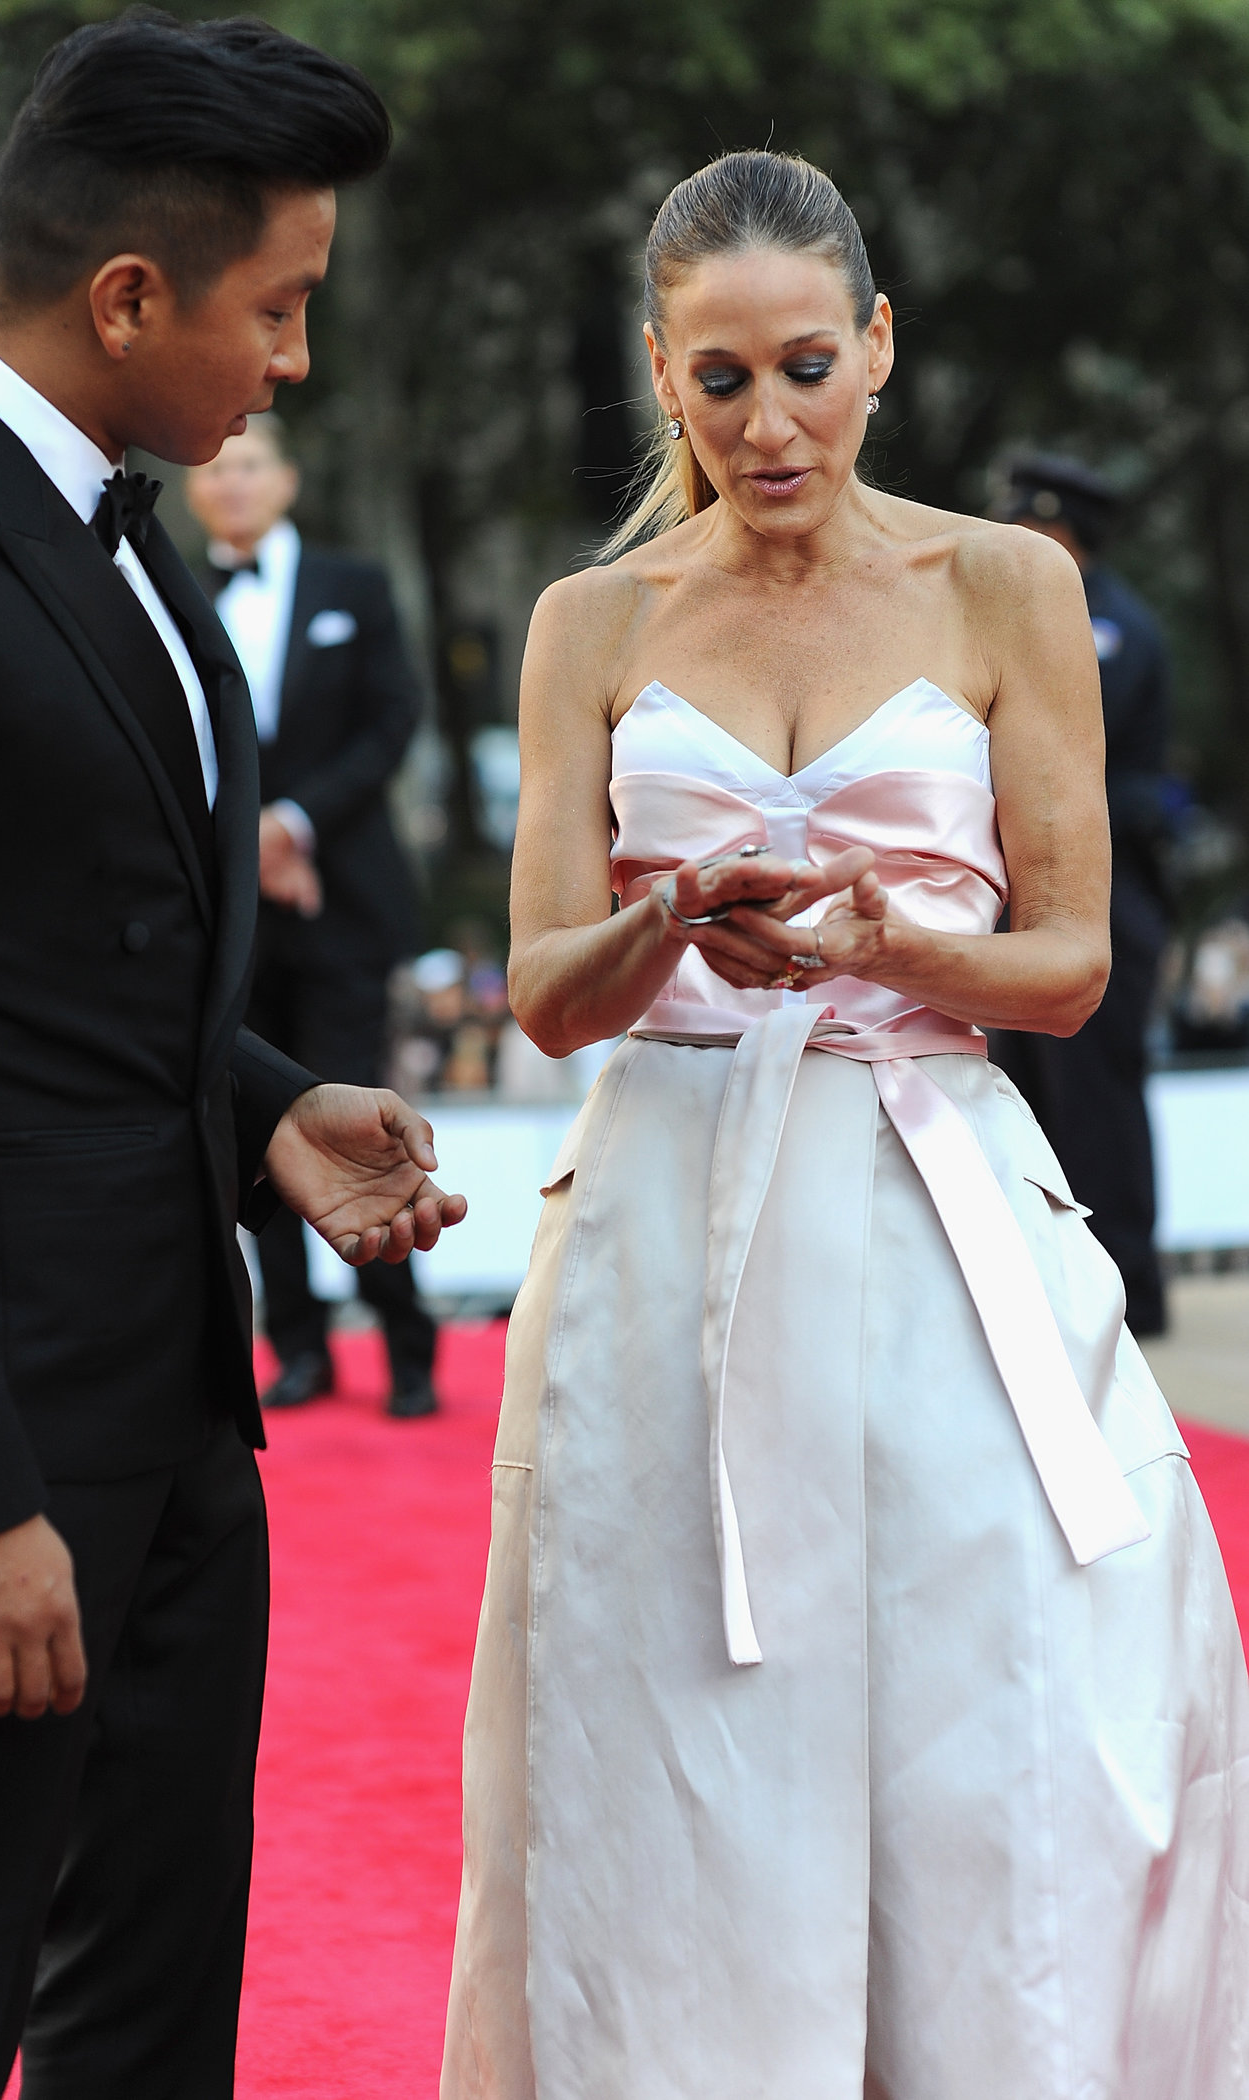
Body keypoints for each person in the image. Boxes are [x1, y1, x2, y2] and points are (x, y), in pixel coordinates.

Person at [442, 151, 1249, 2099]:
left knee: (1007, 1715)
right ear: (658, 372)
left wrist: (898, 940)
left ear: (874, 346)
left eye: (802, 365)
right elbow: (542, 988)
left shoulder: (999, 581)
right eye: (715, 381)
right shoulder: (586, 618)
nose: (764, 422)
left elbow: (1060, 964)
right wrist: (658, 922)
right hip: (656, 1211)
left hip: (929, 1204)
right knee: (668, 1731)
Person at [0, 17, 465, 2099]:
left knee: (152, 1991)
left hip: (175, 1401)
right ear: (126, 296)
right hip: (1, 1441)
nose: (289, 365)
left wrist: (267, 1112)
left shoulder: (114, 509)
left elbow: (74, 946)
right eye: (277, 310)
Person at [186, 421, 438, 1416]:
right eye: (215, 467)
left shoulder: (353, 588)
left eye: (250, 464)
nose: (234, 483)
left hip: (339, 901)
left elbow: (392, 720)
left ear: (285, 478)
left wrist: (291, 826)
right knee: (255, 1120)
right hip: (228, 911)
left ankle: (406, 1346)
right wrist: (240, 849)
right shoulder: (163, 592)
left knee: (361, 1113)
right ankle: (295, 1347)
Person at [990, 453, 1172, 1336]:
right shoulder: (1030, 617)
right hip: (1028, 888)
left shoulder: (1108, 630)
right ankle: (1051, 1277)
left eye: (1035, 526)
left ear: (1066, 536)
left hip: (1106, 888)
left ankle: (1123, 1281)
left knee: (1094, 1089)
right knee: (1021, 1086)